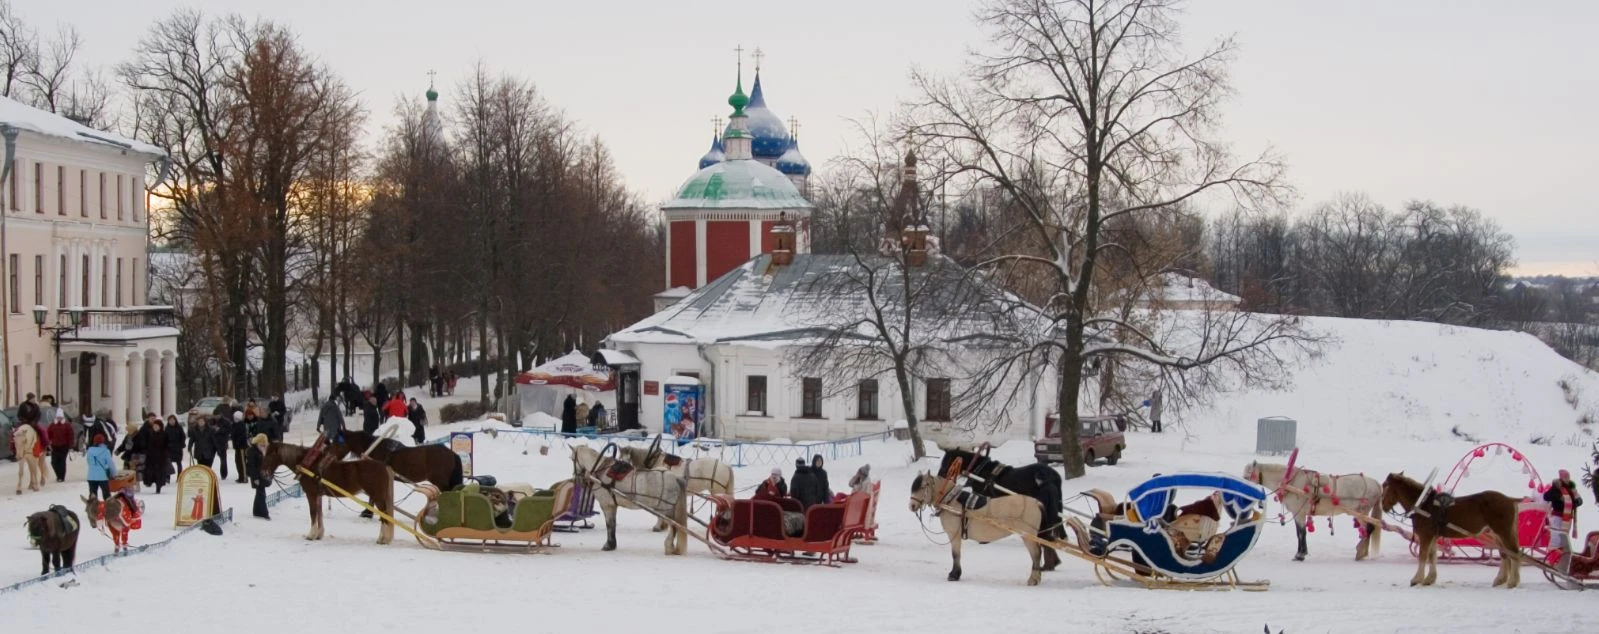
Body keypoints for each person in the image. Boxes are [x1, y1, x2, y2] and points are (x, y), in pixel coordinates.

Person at [1545, 469, 1584, 572]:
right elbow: (1547, 496)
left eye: (1568, 476)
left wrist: (1575, 503)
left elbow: (1579, 500)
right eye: (1565, 477)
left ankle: (1562, 560)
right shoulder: (1556, 487)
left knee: (1563, 539)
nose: (1567, 478)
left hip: (1567, 518)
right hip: (1557, 516)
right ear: (1561, 477)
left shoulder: (1571, 487)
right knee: (1555, 538)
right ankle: (1552, 560)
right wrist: (1558, 497)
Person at [246, 434, 272, 520]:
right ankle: (264, 513)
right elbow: (252, 466)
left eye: (264, 442)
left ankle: (257, 511)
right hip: (257, 476)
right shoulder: (252, 451)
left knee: (259, 493)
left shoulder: (263, 450)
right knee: (261, 494)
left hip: (262, 475)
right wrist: (255, 478)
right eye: (261, 442)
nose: (263, 444)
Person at [142, 419, 171, 493]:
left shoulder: (164, 434)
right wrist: (146, 451)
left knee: (159, 473)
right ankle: (149, 482)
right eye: (154, 426)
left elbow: (167, 445)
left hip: (161, 457)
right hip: (151, 457)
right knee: (151, 472)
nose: (155, 427)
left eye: (156, 426)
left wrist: (165, 454)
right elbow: (145, 443)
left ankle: (158, 488)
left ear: (160, 426)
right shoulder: (150, 434)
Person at [46, 413, 74, 482]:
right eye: (58, 417)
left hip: (64, 446)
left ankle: (61, 477)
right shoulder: (52, 425)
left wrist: (70, 446)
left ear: (62, 418)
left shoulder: (67, 425)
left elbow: (71, 436)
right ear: (56, 417)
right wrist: (48, 442)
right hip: (55, 446)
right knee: (54, 462)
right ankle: (58, 475)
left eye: (60, 417)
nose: (59, 419)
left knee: (62, 462)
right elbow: (48, 434)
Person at [85, 434, 115, 499]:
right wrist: (113, 474)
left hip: (91, 476)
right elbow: (110, 464)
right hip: (103, 476)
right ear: (103, 441)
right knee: (107, 496)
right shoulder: (106, 451)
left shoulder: (89, 451)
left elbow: (89, 462)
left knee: (93, 496)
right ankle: (108, 508)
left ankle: (93, 508)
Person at [230, 411, 249, 483]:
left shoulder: (241, 425)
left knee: (242, 462)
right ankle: (240, 476)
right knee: (237, 461)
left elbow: (242, 436)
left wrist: (238, 442)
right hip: (237, 446)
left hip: (242, 447)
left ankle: (244, 477)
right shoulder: (234, 425)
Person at [211, 413, 231, 480]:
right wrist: (213, 429)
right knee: (209, 459)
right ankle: (208, 472)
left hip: (222, 442)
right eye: (215, 415)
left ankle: (224, 474)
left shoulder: (226, 421)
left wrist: (219, 430)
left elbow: (228, 430)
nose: (216, 416)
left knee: (223, 460)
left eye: (217, 414)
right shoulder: (211, 421)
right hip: (212, 443)